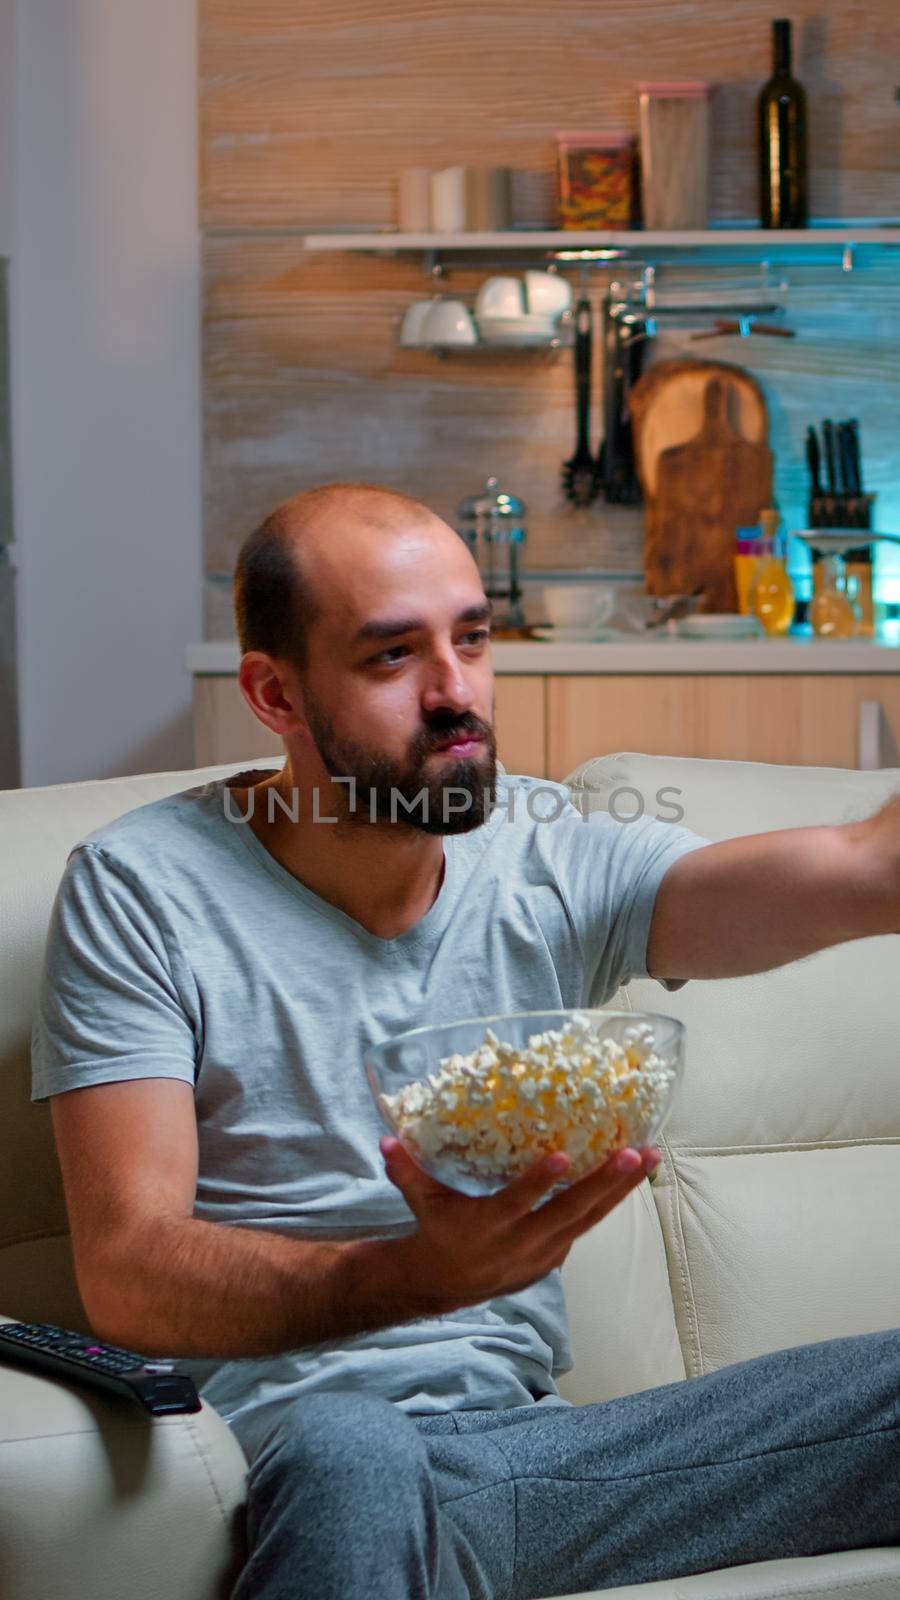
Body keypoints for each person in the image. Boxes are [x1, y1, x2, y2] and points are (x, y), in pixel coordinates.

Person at [32, 483, 899, 1599]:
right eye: (393, 657)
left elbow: (855, 870)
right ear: (274, 692)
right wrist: (413, 1276)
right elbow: (130, 1274)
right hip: (295, 1455)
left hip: (539, 1458)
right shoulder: (144, 887)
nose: (457, 694)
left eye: (474, 640)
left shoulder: (550, 854)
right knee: (358, 1451)